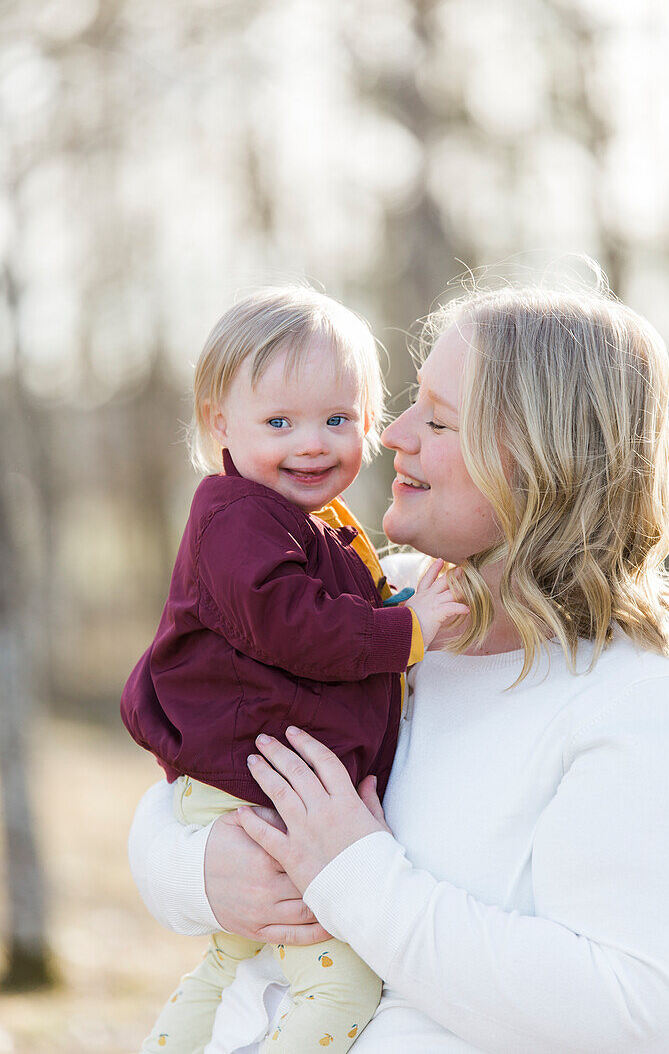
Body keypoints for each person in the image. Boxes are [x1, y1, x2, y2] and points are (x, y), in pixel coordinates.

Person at [128, 282, 669, 1053]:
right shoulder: (386, 606)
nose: (394, 434)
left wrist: (354, 874)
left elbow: (635, 1015)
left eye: (439, 418)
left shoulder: (653, 697)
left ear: (542, 463)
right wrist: (203, 872)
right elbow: (178, 796)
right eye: (410, 403)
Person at [120, 287, 467, 1054]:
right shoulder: (235, 519)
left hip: (262, 784)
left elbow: (348, 603)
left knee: (228, 964)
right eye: (279, 423)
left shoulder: (320, 525)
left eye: (336, 420)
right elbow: (294, 625)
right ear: (221, 425)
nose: (311, 443)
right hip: (253, 785)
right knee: (339, 982)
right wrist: (409, 630)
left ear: (370, 426)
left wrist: (399, 603)